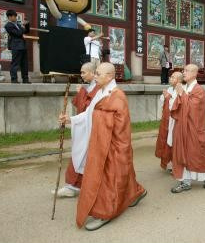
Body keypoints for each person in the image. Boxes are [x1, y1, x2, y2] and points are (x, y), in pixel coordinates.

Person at [59, 63, 146, 230]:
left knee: (108, 179)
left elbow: (117, 125)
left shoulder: (117, 96)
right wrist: (71, 119)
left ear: (109, 77)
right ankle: (134, 193)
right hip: (101, 142)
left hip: (112, 145)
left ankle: (104, 212)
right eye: (96, 73)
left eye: (98, 74)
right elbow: (90, 114)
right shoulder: (100, 92)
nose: (96, 76)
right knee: (121, 174)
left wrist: (97, 119)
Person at [53, 62, 100, 198]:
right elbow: (87, 108)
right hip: (84, 125)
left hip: (92, 128)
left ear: (93, 73)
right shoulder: (91, 87)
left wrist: (82, 93)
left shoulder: (98, 88)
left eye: (84, 72)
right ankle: (73, 185)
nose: (81, 75)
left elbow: (91, 108)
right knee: (79, 155)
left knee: (83, 156)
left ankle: (80, 186)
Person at [170, 64, 205, 193]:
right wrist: (180, 94)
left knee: (197, 153)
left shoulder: (199, 90)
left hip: (194, 127)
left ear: (195, 74)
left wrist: (181, 94)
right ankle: (185, 181)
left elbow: (193, 109)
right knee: (182, 153)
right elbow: (177, 106)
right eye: (184, 70)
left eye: (187, 71)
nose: (184, 73)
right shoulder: (184, 87)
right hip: (182, 126)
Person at [155, 71, 182, 172]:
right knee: (165, 139)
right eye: (170, 77)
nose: (170, 78)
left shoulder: (182, 89)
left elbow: (178, 104)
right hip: (167, 120)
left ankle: (176, 163)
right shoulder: (170, 89)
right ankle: (169, 162)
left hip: (175, 120)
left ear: (179, 80)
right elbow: (163, 102)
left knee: (173, 141)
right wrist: (165, 97)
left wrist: (168, 97)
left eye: (173, 77)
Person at [4, 9, 30, 84]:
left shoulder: (18, 25)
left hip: (23, 46)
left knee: (24, 64)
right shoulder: (8, 25)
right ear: (9, 17)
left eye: (16, 16)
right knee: (15, 63)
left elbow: (26, 31)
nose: (15, 18)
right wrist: (23, 26)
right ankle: (14, 79)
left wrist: (27, 25)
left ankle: (25, 79)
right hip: (16, 46)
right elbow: (18, 33)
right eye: (14, 16)